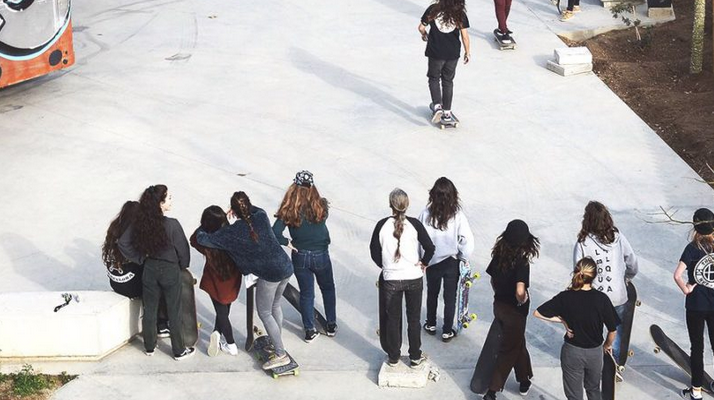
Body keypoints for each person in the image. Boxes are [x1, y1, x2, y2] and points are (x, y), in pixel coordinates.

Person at [196, 191, 294, 370]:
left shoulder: (232, 233)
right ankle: (276, 341)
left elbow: (202, 238)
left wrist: (204, 225)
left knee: (265, 313)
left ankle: (281, 354)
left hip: (269, 274)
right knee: (275, 306)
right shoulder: (261, 215)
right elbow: (252, 210)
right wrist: (241, 208)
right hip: (286, 267)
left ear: (233, 210)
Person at [117, 185, 195, 360]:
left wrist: (139, 259)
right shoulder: (172, 225)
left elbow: (123, 243)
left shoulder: (140, 224)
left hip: (149, 269)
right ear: (160, 203)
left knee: (150, 309)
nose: (171, 200)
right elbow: (183, 250)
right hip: (169, 270)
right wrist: (182, 265)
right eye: (168, 198)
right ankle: (178, 350)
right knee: (174, 310)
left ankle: (150, 347)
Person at [535, 257, 619, 400]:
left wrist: (562, 320)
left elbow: (538, 313)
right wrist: (606, 346)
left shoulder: (565, 297)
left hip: (572, 352)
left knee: (574, 396)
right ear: (593, 276)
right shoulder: (602, 299)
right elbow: (613, 330)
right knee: (593, 389)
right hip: (595, 353)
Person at [370, 188, 435, 367]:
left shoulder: (381, 225)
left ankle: (393, 356)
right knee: (414, 319)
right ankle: (415, 355)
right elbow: (430, 247)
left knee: (393, 319)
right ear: (407, 205)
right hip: (414, 278)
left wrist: (385, 266)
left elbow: (374, 251)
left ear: (390, 205)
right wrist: (423, 263)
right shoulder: (414, 224)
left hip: (391, 279)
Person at [272, 170, 337, 343]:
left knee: (307, 294)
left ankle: (309, 330)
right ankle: (331, 325)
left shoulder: (288, 209)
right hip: (321, 254)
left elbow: (274, 233)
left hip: (300, 255)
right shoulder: (321, 206)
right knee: (328, 288)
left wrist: (287, 242)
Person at [573, 201, 638, 368]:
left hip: (594, 298)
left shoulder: (583, 242)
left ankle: (594, 363)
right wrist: (627, 277)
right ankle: (615, 363)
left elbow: (578, 272)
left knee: (594, 332)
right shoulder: (618, 237)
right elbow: (632, 261)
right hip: (618, 295)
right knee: (616, 331)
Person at [483, 219, 539, 400]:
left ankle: (524, 379)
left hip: (499, 306)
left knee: (516, 343)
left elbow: (492, 280)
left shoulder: (499, 255)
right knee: (508, 349)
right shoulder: (522, 262)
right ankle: (492, 391)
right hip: (515, 312)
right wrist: (522, 300)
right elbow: (520, 290)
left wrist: (499, 295)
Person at [418, 177, 474, 342]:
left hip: (432, 261)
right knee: (450, 297)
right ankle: (447, 330)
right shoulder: (458, 216)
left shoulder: (425, 214)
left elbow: (418, 237)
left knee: (432, 293)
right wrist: (463, 257)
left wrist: (421, 259)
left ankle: (431, 323)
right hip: (451, 261)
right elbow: (467, 240)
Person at [102, 200, 170, 336]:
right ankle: (161, 324)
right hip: (131, 285)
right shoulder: (135, 232)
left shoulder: (114, 229)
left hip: (116, 283)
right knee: (156, 277)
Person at [190, 206, 242, 357]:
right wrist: (223, 220)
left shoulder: (206, 243)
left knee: (221, 313)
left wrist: (206, 225)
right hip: (232, 281)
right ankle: (217, 333)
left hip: (215, 282)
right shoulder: (233, 238)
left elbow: (194, 238)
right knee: (225, 310)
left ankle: (231, 344)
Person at [673, 208, 714, 400]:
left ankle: (696, 391)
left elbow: (677, 275)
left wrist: (687, 288)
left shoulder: (691, 248)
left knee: (697, 347)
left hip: (696, 305)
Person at [418, 0, 470, 126]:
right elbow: (465, 36)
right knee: (448, 81)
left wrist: (425, 35)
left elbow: (421, 27)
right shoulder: (459, 13)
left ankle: (437, 106)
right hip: (452, 54)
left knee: (434, 78)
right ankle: (447, 112)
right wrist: (467, 52)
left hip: (436, 53)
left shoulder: (433, 10)